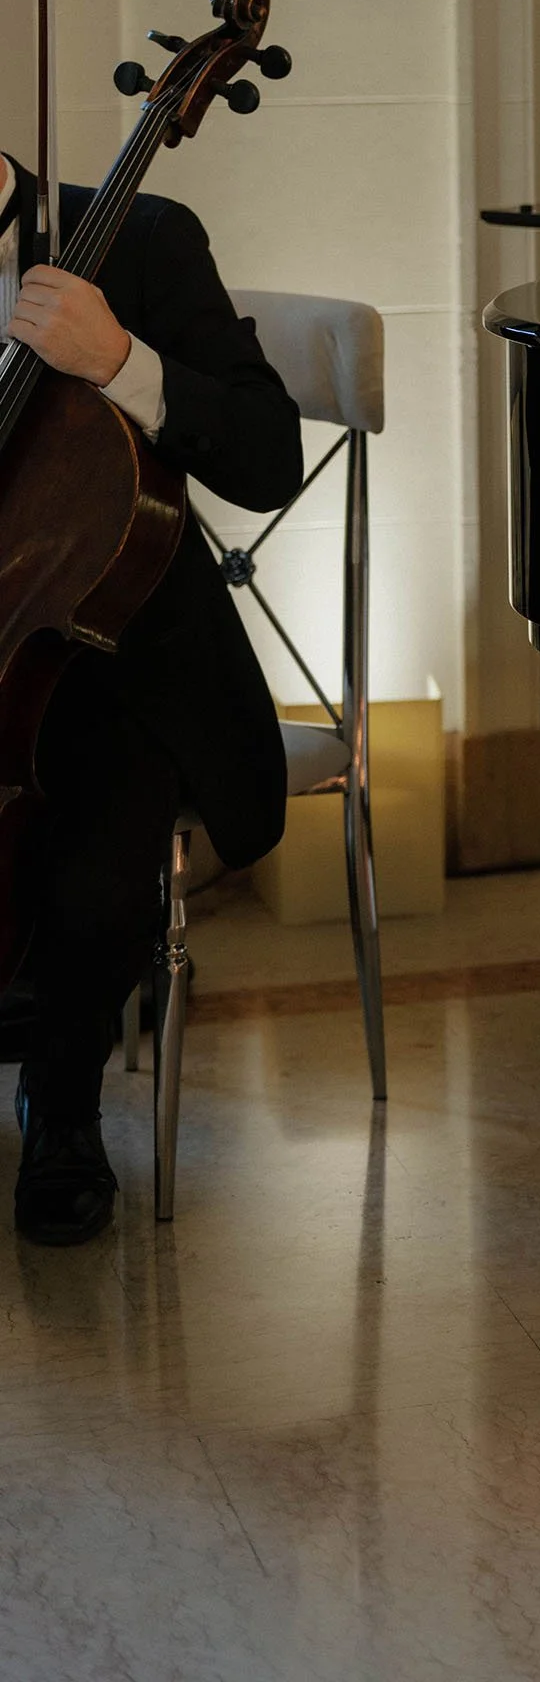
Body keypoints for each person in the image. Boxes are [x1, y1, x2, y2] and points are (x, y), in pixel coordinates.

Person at [0, 153, 301, 1244]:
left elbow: (268, 455)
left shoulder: (141, 236)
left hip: (121, 654)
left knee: (99, 828)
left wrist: (120, 360)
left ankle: (62, 1105)